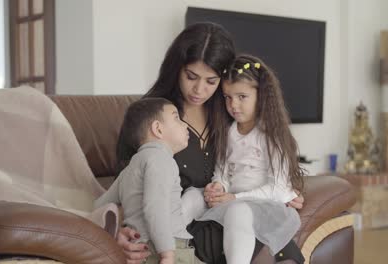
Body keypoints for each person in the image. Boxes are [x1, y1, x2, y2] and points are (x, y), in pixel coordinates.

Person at [116, 22, 304, 264]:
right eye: (191, 76)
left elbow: (270, 161)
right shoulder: (152, 116)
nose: (199, 89)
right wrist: (120, 230)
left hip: (234, 220)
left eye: (211, 81)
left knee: (266, 237)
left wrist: (291, 191)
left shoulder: (231, 112)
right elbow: (126, 182)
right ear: (177, 69)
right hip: (184, 229)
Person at [194, 54, 305, 264]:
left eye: (241, 97)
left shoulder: (271, 135)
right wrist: (218, 185)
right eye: (227, 97)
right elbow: (223, 170)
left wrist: (235, 199)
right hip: (233, 199)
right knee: (192, 197)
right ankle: (165, 246)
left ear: (261, 96)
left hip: (263, 206)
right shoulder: (229, 132)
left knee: (238, 211)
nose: (233, 105)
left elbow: (279, 188)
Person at [95, 98, 198, 264]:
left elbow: (100, 207)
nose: (185, 124)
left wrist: (115, 232)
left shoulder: (129, 170)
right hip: (166, 248)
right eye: (177, 118)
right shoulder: (161, 159)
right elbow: (155, 207)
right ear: (157, 129)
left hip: (139, 249)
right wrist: (167, 254)